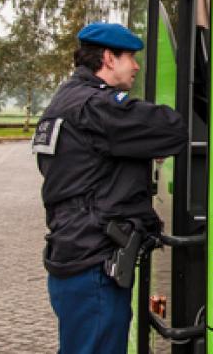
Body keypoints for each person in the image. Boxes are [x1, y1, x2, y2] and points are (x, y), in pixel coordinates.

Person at [35, 22, 186, 354]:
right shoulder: (97, 107)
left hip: (72, 254)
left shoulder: (64, 102)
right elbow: (174, 129)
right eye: (130, 57)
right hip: (94, 264)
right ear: (108, 58)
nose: (135, 66)